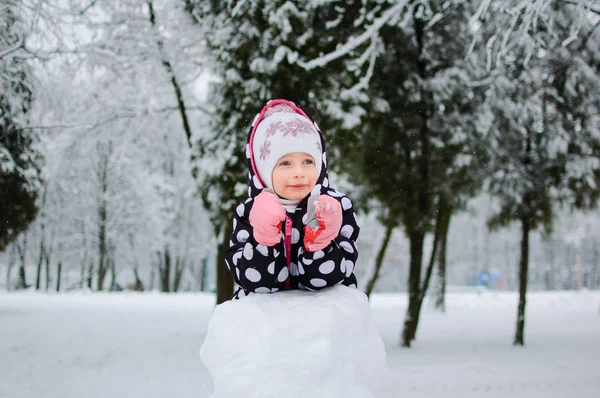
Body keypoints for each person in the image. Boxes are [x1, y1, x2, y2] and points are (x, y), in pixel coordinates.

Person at [225, 99, 360, 299]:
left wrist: (321, 242)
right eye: (285, 163)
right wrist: (263, 241)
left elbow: (330, 279)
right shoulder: (249, 212)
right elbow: (254, 282)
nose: (299, 172)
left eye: (307, 161)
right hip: (263, 322)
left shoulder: (336, 208)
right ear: (263, 168)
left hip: (325, 318)